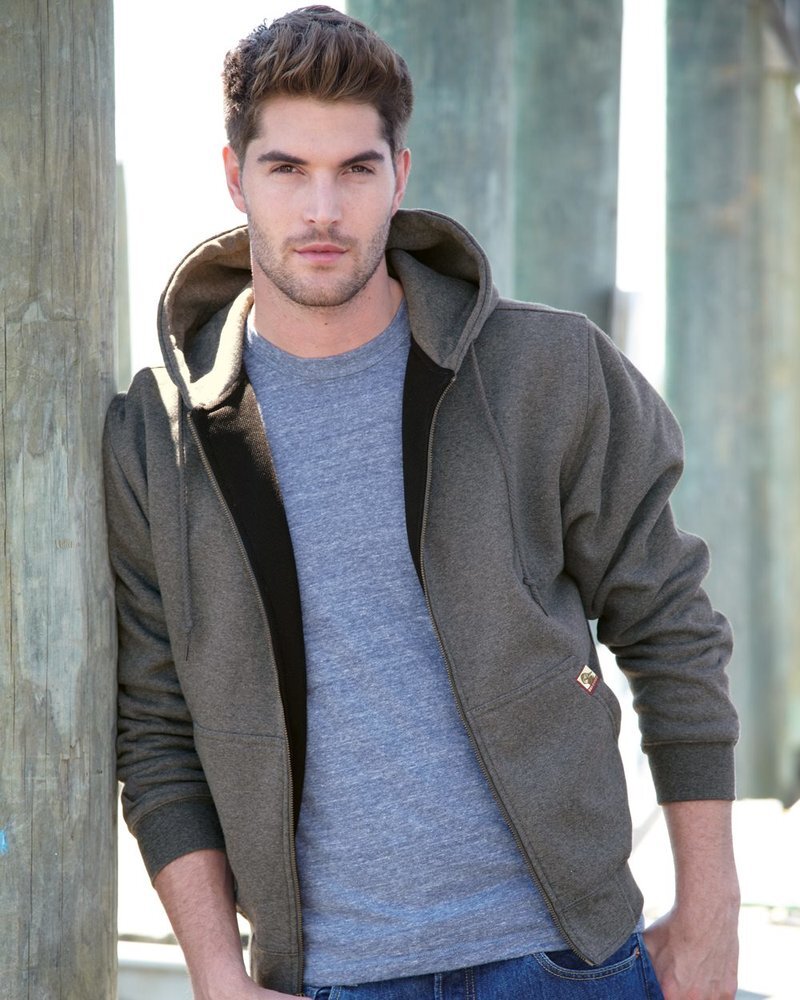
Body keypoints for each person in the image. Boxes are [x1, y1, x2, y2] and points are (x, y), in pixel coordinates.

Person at [104, 6, 740, 999]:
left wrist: (709, 913)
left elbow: (670, 628)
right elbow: (154, 729)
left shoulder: (545, 370)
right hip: (327, 978)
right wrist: (219, 976)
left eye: (355, 169)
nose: (323, 209)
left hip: (560, 960)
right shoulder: (158, 436)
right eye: (287, 168)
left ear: (399, 175)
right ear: (235, 177)